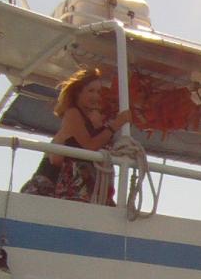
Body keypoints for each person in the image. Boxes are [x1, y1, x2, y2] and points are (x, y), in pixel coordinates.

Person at [22, 67, 130, 205]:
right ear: (78, 93)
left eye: (98, 91)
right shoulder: (72, 113)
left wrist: (101, 127)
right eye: (91, 91)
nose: (96, 96)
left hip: (76, 187)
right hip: (50, 185)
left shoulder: (90, 120)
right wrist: (115, 125)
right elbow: (89, 146)